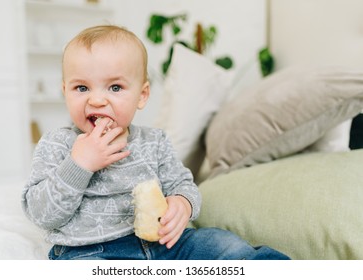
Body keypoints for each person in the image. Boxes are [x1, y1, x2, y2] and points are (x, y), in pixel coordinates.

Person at [22, 25, 289, 260]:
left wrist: (182, 204)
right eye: (82, 88)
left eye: (115, 87)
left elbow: (182, 184)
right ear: (65, 91)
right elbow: (41, 214)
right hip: (89, 252)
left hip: (165, 245)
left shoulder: (155, 142)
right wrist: (79, 165)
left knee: (222, 244)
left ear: (142, 95)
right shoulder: (57, 144)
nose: (97, 100)